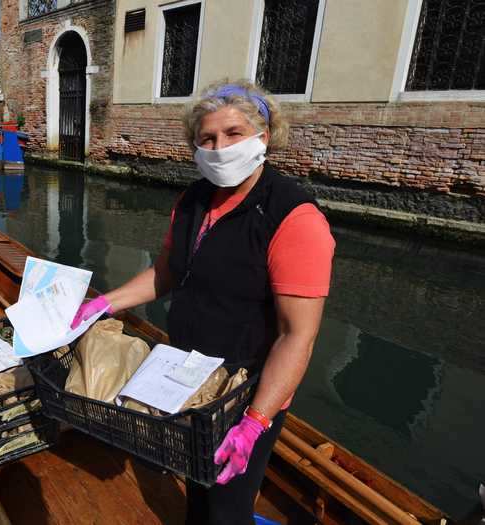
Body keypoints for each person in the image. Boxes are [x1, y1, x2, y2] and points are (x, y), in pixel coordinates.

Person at [71, 80, 335, 524]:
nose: (219, 147)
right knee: (197, 490)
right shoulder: (193, 199)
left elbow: (298, 337)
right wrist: (103, 304)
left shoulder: (293, 216)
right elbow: (167, 272)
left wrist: (255, 422)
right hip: (189, 375)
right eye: (207, 139)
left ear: (263, 137)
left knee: (226, 510)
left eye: (233, 134)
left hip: (244, 393)